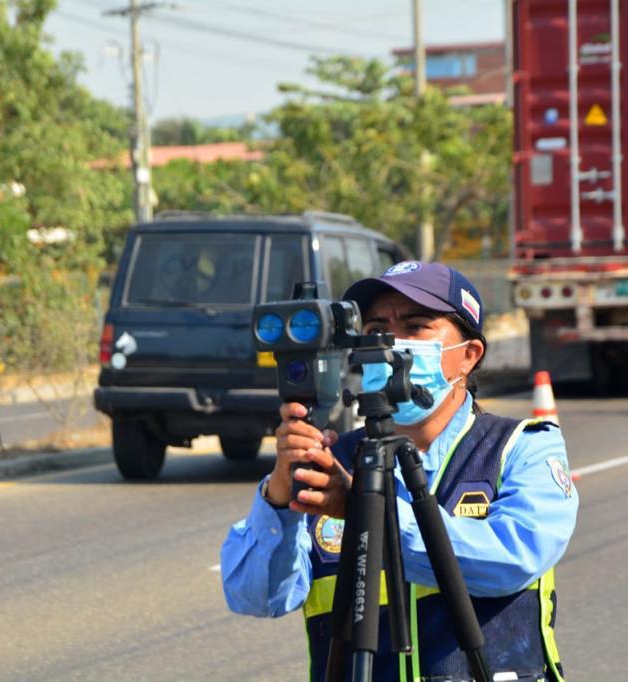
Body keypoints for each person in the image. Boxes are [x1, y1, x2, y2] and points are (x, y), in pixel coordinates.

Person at [221, 261, 579, 682]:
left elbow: (512, 559)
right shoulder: (335, 461)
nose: (390, 342)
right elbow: (257, 598)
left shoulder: (521, 446)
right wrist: (279, 497)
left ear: (468, 356)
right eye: (376, 328)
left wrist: (363, 509)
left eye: (415, 326)